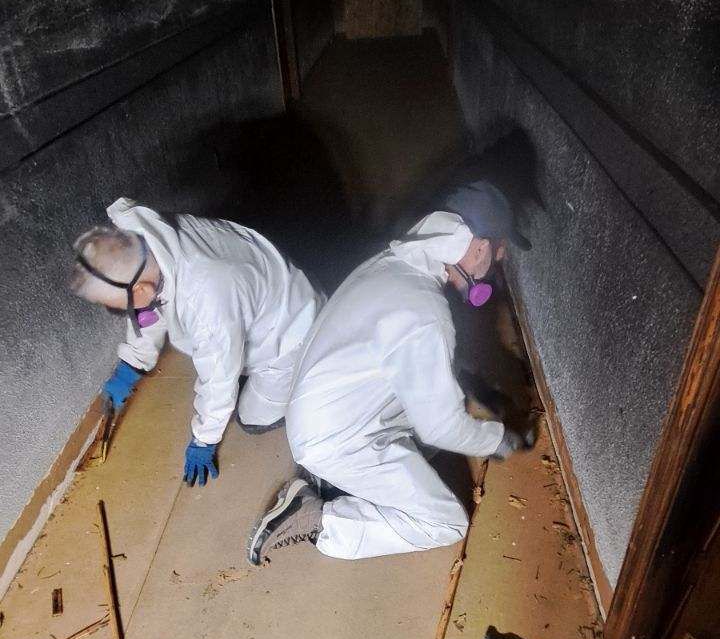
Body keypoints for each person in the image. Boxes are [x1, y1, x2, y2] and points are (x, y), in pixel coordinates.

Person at [247, 180, 534, 563]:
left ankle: (332, 481)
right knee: (446, 522)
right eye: (497, 251)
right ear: (479, 246)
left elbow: (415, 363)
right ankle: (320, 519)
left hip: (317, 410)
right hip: (334, 438)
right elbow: (440, 427)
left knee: (437, 410)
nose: (496, 261)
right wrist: (496, 440)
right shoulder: (425, 313)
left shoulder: (394, 264)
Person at [70, 198, 323, 485]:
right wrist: (132, 363)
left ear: (141, 288)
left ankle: (304, 386)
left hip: (292, 337)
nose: (118, 311)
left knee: (252, 419)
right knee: (225, 357)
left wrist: (204, 440)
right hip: (265, 291)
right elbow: (148, 309)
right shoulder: (149, 245)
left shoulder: (206, 301)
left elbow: (217, 377)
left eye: (116, 306)